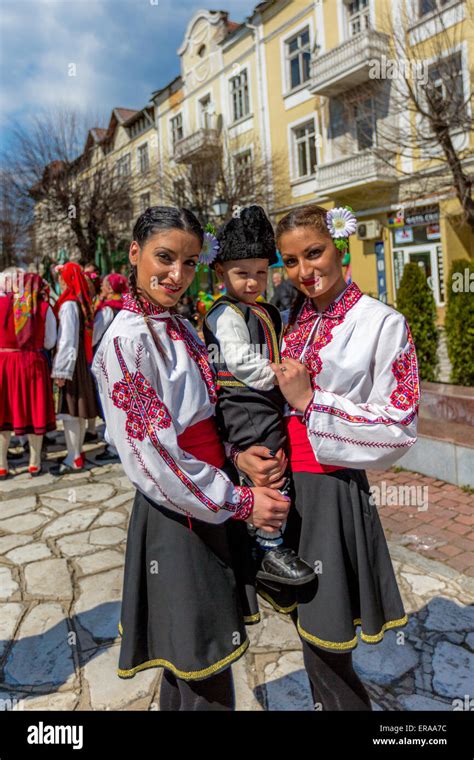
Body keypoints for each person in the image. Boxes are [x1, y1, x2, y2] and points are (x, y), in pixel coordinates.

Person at [91, 206, 290, 711]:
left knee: (191, 665)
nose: (176, 275)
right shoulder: (127, 342)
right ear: (134, 254)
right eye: (164, 257)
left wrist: (236, 458)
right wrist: (242, 502)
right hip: (181, 512)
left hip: (207, 498)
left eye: (190, 262)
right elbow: (155, 457)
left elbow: (202, 414)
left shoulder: (173, 325)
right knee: (205, 667)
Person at [257, 203, 420, 711]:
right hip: (286, 487)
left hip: (330, 486)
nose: (305, 271)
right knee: (307, 624)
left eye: (314, 253)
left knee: (326, 632)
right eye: (290, 261)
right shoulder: (294, 318)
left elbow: (400, 424)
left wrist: (312, 403)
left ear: (340, 247)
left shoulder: (382, 323)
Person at [203, 206, 314, 587]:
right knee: (267, 460)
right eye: (242, 273)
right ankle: (269, 545)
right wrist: (282, 377)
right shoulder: (225, 314)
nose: (253, 282)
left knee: (277, 459)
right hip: (243, 403)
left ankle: (267, 537)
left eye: (261, 273)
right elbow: (241, 363)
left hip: (262, 400)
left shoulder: (262, 309)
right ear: (221, 273)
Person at [0, 271, 57, 478]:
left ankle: (2, 463)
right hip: (32, 363)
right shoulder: (43, 307)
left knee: (3, 412)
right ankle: (34, 462)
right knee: (35, 410)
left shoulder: (1, 304)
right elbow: (50, 341)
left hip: (4, 364)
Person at [50, 262, 100, 474]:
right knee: (77, 413)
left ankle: (74, 456)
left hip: (71, 364)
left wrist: (61, 371)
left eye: (62, 277)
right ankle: (77, 453)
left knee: (71, 413)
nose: (59, 281)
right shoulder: (78, 302)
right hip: (78, 362)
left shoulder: (69, 304)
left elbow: (67, 340)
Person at [90, 273, 129, 459]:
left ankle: (114, 446)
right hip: (124, 359)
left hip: (108, 359)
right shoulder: (128, 305)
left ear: (110, 288)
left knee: (110, 402)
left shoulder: (107, 310)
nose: (103, 288)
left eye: (106, 285)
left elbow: (95, 335)